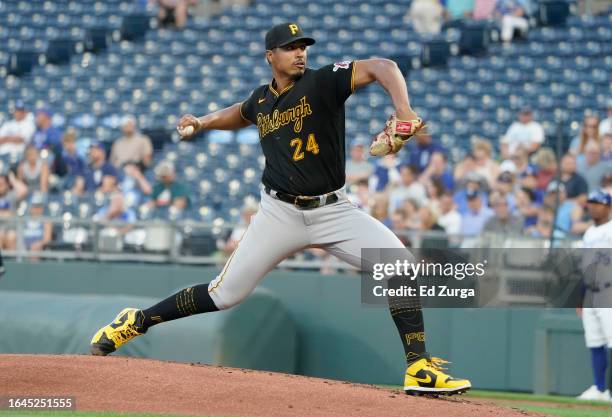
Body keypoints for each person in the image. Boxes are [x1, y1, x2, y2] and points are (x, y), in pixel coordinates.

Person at [90, 22, 471, 395]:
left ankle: (418, 367)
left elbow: (382, 66)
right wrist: (203, 122)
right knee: (224, 295)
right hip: (279, 213)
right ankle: (136, 321)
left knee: (400, 266)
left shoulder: (323, 82)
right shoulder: (261, 99)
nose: (300, 52)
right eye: (291, 47)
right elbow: (240, 112)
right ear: (270, 56)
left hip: (333, 210)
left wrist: (403, 109)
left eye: (303, 46)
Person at [576, 190, 612, 402]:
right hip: (591, 291)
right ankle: (599, 388)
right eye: (591, 202)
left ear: (608, 207)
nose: (593, 206)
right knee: (595, 340)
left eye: (598, 203)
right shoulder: (589, 233)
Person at [0, 172, 28, 250]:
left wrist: (12, 179)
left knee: (11, 237)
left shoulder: (11, 195)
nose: (0, 186)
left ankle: (11, 261)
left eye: (2, 184)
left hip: (11, 227)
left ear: (7, 184)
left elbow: (24, 190)